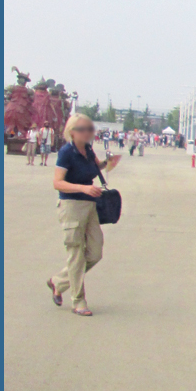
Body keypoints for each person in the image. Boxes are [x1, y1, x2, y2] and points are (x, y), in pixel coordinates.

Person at [47, 114, 120, 316]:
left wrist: (108, 162)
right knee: (76, 254)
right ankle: (78, 301)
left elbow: (97, 167)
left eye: (90, 128)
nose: (88, 132)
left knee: (95, 253)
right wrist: (83, 188)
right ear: (72, 131)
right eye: (83, 129)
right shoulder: (66, 153)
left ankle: (58, 281)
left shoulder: (87, 149)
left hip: (90, 206)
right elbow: (57, 182)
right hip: (71, 206)